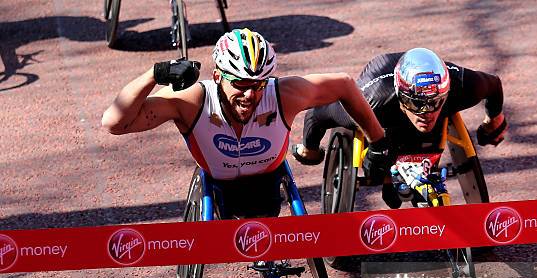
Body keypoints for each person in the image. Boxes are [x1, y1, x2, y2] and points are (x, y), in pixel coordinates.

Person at [101, 28, 386, 218]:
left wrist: (377, 141)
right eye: (240, 83)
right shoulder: (193, 100)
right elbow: (115, 122)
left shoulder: (283, 95)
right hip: (218, 186)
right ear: (217, 77)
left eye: (259, 84)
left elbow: (346, 85)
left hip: (267, 186)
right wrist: (155, 73)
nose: (250, 94)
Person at [294, 48, 508, 208]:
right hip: (383, 101)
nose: (426, 112)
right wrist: (309, 150)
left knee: (427, 132)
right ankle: (388, 178)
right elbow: (317, 113)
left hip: (419, 92)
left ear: (446, 91)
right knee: (380, 154)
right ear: (402, 95)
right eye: (417, 104)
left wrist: (494, 122)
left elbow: (494, 85)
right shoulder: (372, 99)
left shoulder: (464, 84)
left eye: (435, 102)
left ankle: (402, 178)